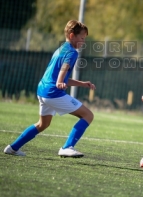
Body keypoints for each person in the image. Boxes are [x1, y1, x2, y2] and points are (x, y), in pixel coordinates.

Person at [3, 20, 95, 158]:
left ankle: (12, 148)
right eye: (82, 38)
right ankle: (67, 147)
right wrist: (59, 82)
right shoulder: (72, 52)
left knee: (42, 124)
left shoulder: (61, 49)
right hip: (53, 93)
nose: (83, 42)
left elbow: (60, 77)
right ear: (71, 36)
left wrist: (82, 83)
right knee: (88, 115)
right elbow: (62, 73)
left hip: (43, 90)